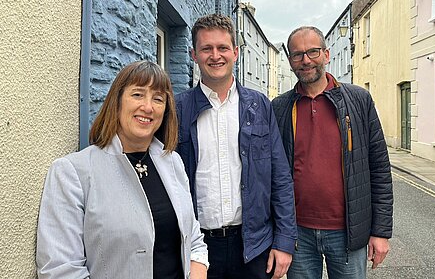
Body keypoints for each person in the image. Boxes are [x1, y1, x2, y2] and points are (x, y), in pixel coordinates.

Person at [36, 60, 209, 279]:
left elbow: (193, 240)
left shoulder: (172, 162)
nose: (148, 107)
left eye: (158, 99)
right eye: (137, 94)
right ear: (116, 101)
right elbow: (60, 269)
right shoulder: (73, 173)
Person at [174, 14, 297, 279]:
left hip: (253, 246)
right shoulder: (178, 109)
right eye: (206, 48)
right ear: (193, 54)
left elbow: (280, 176)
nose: (215, 55)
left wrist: (284, 241)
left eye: (222, 48)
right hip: (197, 248)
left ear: (236, 53)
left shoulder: (259, 105)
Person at [271, 26, 394, 279]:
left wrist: (380, 231)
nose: (306, 60)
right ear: (291, 61)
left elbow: (379, 168)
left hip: (348, 231)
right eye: (297, 54)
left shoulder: (359, 100)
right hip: (297, 232)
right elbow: (272, 172)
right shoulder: (280, 107)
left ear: (326, 55)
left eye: (313, 52)